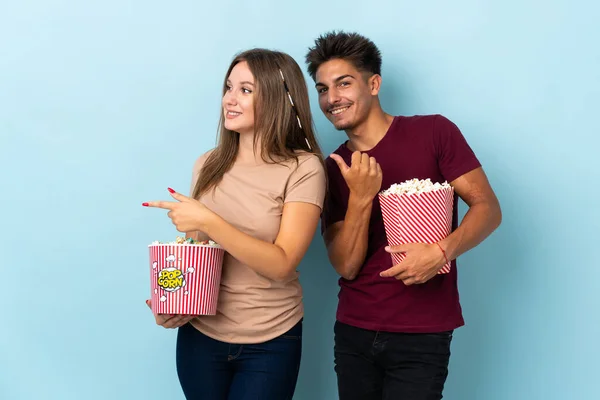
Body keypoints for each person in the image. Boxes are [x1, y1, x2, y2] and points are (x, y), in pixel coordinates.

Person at [305, 31, 502, 400]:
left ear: (374, 83)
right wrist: (363, 198)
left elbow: (488, 209)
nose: (331, 98)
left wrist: (443, 252)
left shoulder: (434, 132)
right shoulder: (331, 168)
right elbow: (346, 266)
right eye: (322, 89)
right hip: (354, 330)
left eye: (343, 83)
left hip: (423, 332)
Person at [143, 48, 326, 400]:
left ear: (277, 97)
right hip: (200, 338)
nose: (230, 99)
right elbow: (197, 258)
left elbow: (283, 263)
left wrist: (210, 221)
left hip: (271, 339)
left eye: (245, 89)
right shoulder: (207, 165)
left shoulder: (303, 168)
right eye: (229, 87)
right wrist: (172, 302)